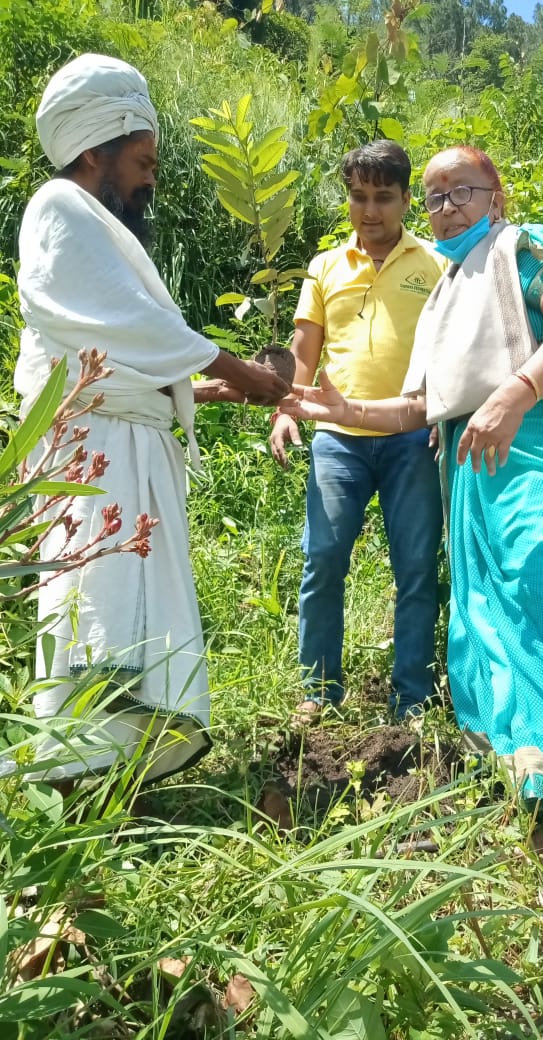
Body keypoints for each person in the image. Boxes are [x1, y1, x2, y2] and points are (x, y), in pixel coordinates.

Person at [281, 146, 543, 852]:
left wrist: (515, 393)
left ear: (497, 195)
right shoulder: (448, 291)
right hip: (480, 487)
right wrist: (341, 407)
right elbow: (422, 408)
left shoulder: (523, 251)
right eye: (435, 198)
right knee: (500, 622)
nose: (446, 206)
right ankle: (537, 781)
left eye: (460, 191)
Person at [13, 53, 290, 787]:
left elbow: (119, 360)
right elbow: (130, 325)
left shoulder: (102, 227)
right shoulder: (59, 208)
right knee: (92, 616)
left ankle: (115, 786)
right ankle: (70, 792)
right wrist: (244, 372)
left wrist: (194, 393)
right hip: (91, 460)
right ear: (95, 149)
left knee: (128, 620)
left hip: (121, 444)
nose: (151, 176)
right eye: (141, 160)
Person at [271, 141, 446, 723]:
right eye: (358, 196)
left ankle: (412, 699)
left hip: (413, 439)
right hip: (338, 439)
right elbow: (304, 350)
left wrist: (446, 416)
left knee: (416, 567)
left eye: (384, 198)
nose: (370, 211)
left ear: (404, 200)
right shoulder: (324, 267)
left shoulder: (436, 266)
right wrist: (286, 410)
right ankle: (318, 691)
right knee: (322, 558)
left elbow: (451, 354)